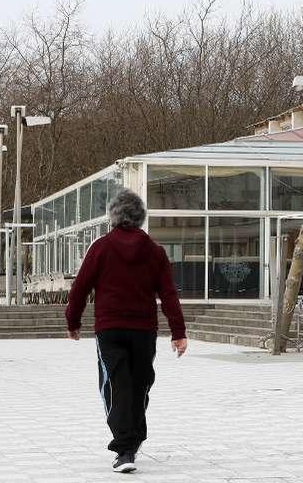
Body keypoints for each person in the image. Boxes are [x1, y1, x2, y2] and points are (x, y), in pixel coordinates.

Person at [65, 188, 187, 473]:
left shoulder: (101, 248)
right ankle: (130, 442)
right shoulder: (155, 252)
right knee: (140, 383)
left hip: (110, 329)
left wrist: (73, 321)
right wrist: (178, 332)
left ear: (113, 217)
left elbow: (80, 287)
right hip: (144, 330)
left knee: (116, 384)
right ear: (141, 218)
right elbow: (169, 294)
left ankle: (124, 447)